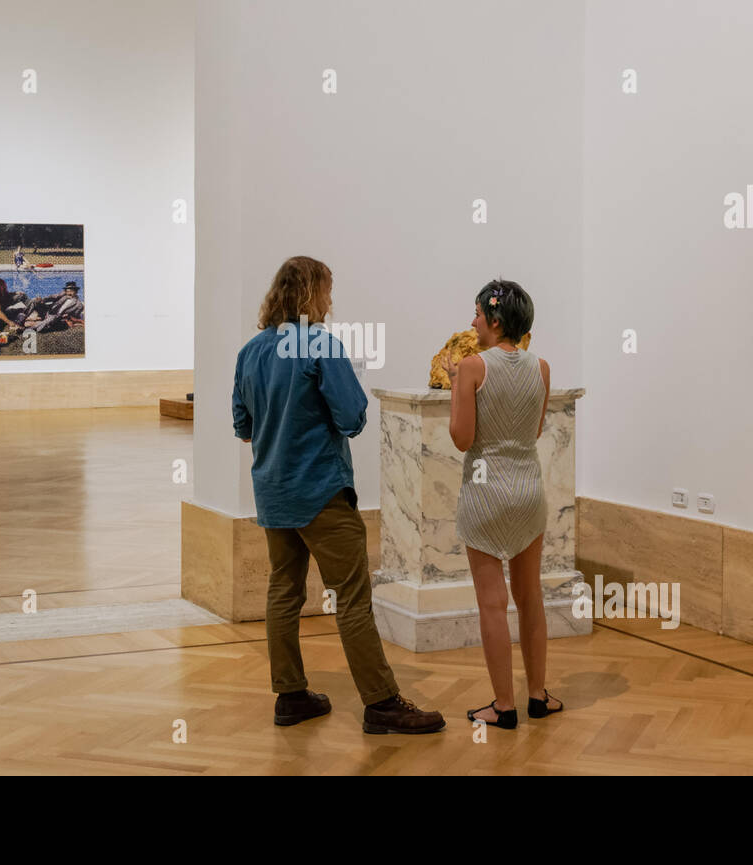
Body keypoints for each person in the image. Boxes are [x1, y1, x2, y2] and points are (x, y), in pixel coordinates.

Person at [233, 256, 445, 734]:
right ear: (310, 295)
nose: (330, 302)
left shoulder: (250, 352)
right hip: (322, 492)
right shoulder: (319, 345)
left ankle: (290, 697)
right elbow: (352, 418)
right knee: (351, 596)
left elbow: (242, 427)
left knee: (283, 591)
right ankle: (381, 703)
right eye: (327, 292)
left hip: (272, 493)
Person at [442, 279, 563, 730]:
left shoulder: (473, 367)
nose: (472, 322)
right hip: (528, 489)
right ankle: (537, 696)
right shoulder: (542, 367)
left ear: (495, 320)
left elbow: (462, 439)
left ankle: (503, 705)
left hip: (485, 491)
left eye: (476, 314)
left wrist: (457, 384)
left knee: (492, 604)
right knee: (530, 598)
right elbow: (531, 433)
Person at [17, 281, 83, 332]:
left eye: (71, 291)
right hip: (48, 311)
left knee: (52, 318)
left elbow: (75, 316)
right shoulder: (63, 295)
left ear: (76, 291)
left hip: (57, 318)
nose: (69, 293)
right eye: (67, 291)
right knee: (34, 301)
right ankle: (21, 321)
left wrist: (68, 316)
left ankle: (29, 329)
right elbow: (52, 297)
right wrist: (42, 300)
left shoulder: (78, 305)